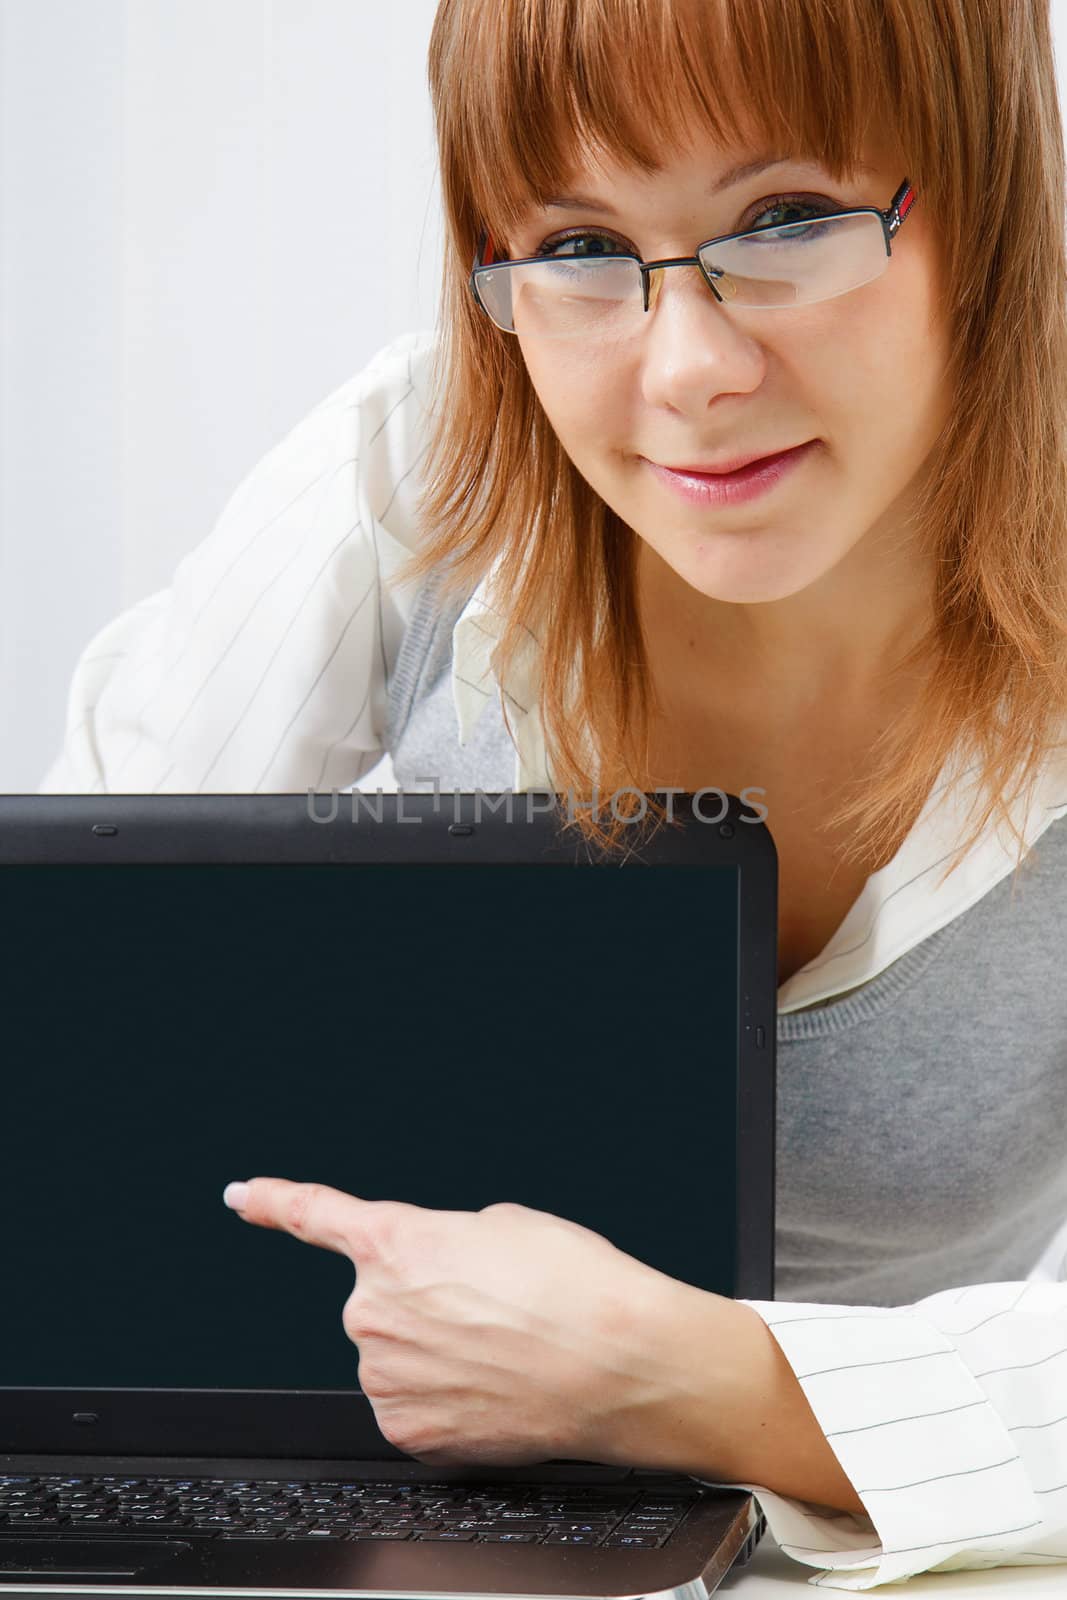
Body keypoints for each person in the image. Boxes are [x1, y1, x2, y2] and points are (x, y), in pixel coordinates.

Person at [39, 0, 1067, 1586]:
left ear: (988, 198)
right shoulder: (423, 465)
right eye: (580, 245)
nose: (690, 369)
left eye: (784, 220)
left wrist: (704, 1383)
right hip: (402, 1524)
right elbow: (57, 1025)